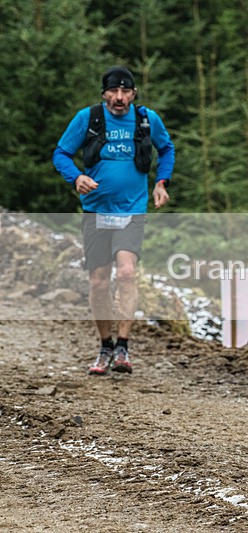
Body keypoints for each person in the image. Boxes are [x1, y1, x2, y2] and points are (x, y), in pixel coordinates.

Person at [52, 65, 174, 376]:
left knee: (128, 273)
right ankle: (105, 344)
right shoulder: (88, 118)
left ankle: (123, 344)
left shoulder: (147, 119)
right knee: (98, 282)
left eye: (125, 92)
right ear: (104, 93)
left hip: (132, 210)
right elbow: (61, 153)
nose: (119, 98)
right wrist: (76, 176)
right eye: (113, 92)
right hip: (96, 211)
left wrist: (162, 182)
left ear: (134, 93)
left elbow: (166, 149)